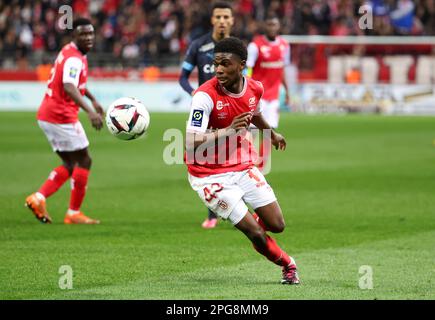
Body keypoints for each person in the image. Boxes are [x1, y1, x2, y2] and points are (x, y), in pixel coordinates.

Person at [185, 37, 300, 284]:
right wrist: (228, 130)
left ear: (242, 65)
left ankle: (256, 231)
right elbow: (190, 141)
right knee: (256, 232)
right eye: (216, 63)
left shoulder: (254, 88)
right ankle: (288, 265)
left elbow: (254, 112)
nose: (218, 69)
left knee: (277, 224)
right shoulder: (203, 96)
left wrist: (272, 133)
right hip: (208, 175)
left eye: (225, 64)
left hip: (240, 164)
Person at [25, 17, 103, 225]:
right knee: (84, 160)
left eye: (90, 33)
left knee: (70, 163)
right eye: (83, 34)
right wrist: (89, 111)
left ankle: (38, 198)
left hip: (48, 114)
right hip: (61, 116)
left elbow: (76, 83)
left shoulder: (70, 51)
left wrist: (93, 99)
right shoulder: (74, 59)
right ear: (73, 35)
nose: (88, 38)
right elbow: (69, 86)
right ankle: (73, 212)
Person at [179, 1, 234, 229]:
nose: (222, 21)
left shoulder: (238, 48)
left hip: (232, 109)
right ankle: (212, 215)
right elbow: (183, 77)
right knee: (207, 163)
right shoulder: (198, 46)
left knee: (235, 161)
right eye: (218, 17)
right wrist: (195, 94)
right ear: (212, 20)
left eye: (225, 17)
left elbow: (246, 78)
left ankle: (237, 208)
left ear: (232, 20)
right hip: (206, 112)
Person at [246, 14, 291, 173]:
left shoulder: (285, 45)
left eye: (275, 24)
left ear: (279, 27)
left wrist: (287, 91)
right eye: (269, 24)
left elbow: (282, 70)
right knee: (251, 129)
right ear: (265, 26)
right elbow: (248, 70)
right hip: (257, 95)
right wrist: (247, 91)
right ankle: (246, 162)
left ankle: (261, 167)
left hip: (274, 96)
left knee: (269, 130)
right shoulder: (255, 45)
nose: (272, 27)